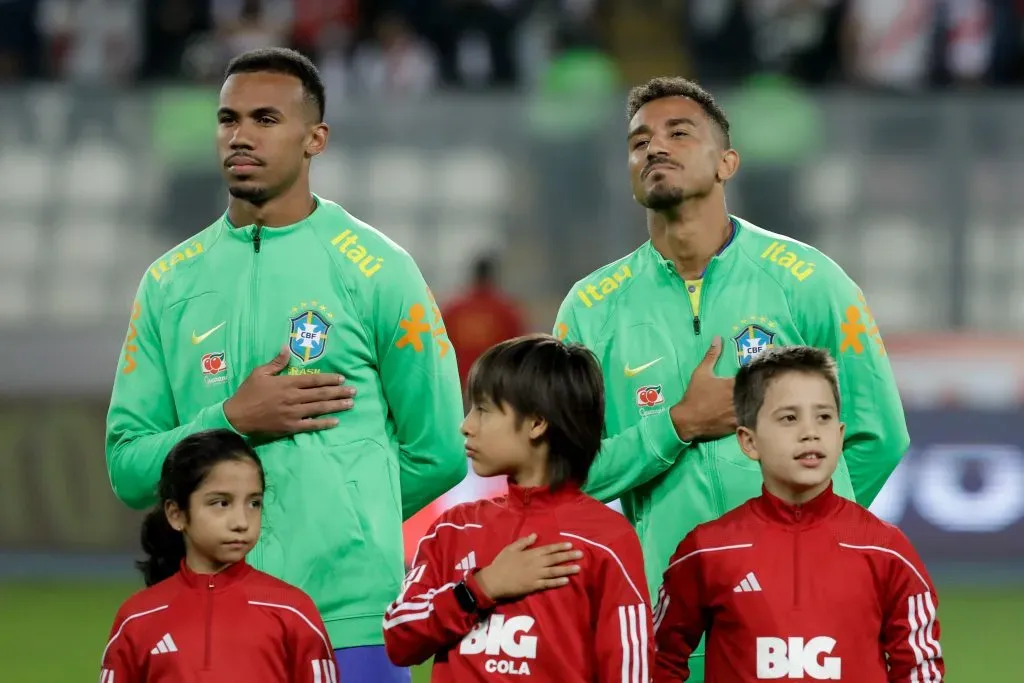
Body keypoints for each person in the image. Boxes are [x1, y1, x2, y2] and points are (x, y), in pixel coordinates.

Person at [105, 47, 466, 683]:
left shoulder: (380, 271)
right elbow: (130, 468)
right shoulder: (167, 284)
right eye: (228, 119)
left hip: (350, 621)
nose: (239, 135)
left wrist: (343, 511)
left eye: (265, 119)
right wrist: (233, 418)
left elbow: (438, 451)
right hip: (213, 620)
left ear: (314, 139)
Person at [552, 76, 909, 681]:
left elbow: (876, 435)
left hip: (808, 617)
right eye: (639, 141)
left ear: (727, 162)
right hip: (668, 620)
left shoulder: (809, 281)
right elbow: (565, 473)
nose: (654, 148)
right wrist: (678, 425)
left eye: (678, 133)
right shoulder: (590, 308)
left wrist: (798, 543)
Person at [652, 346, 944, 681]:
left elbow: (920, 669)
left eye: (823, 417)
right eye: (789, 418)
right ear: (749, 441)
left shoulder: (886, 550)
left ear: (839, 435)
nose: (810, 432)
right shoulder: (708, 551)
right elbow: (657, 660)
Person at [382, 335, 654, 682]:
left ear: (536, 423)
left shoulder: (606, 540)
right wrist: (480, 588)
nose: (466, 425)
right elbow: (399, 637)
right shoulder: (453, 528)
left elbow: (631, 673)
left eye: (483, 409)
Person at [100, 429, 339, 682]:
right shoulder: (137, 618)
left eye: (253, 503)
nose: (241, 522)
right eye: (222, 503)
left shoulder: (292, 611)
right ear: (176, 514)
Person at [442, 255, 526, 390]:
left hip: (459, 384)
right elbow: (519, 349)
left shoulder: (453, 309)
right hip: (494, 385)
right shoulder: (507, 310)